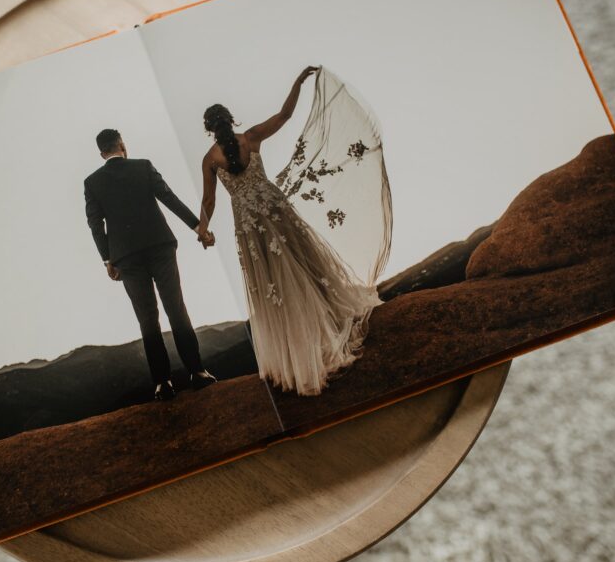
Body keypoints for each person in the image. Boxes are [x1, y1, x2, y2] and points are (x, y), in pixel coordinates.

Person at [195, 66, 391, 396]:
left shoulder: (210, 159)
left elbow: (209, 200)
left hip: (249, 223)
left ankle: (300, 350)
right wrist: (299, 82)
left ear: (209, 130)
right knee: (305, 266)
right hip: (275, 208)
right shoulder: (252, 137)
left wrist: (203, 230)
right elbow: (285, 114)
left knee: (274, 285)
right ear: (230, 121)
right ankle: (328, 323)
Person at [84, 128, 218, 401]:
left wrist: (107, 259)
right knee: (176, 308)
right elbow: (169, 198)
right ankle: (198, 372)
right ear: (122, 145)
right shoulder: (143, 166)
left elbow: (95, 225)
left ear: (102, 153)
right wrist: (199, 228)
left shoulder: (92, 182)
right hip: (160, 247)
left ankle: (163, 383)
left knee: (147, 319)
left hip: (126, 258)